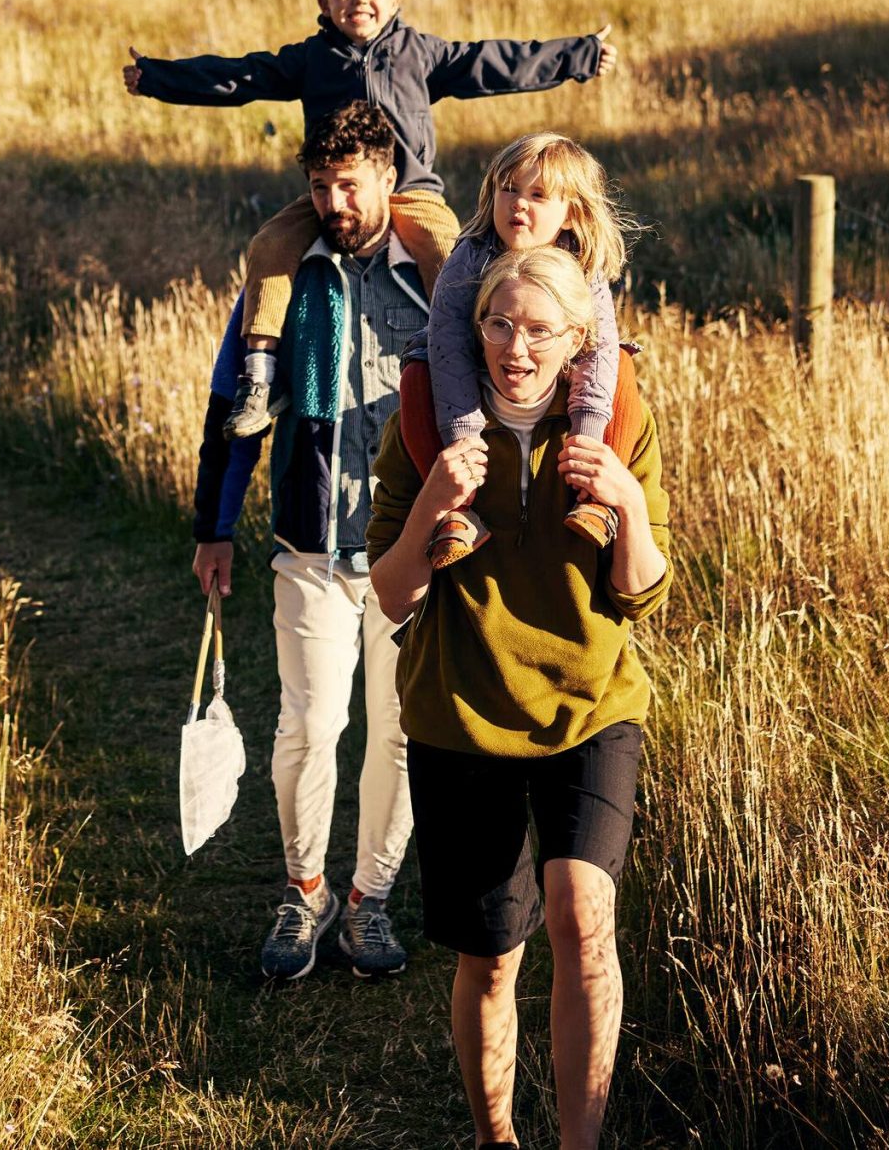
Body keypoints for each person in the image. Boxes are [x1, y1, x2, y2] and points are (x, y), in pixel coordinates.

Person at [369, 244, 673, 1150]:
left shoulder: (617, 421)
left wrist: (628, 504)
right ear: (477, 328)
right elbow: (390, 592)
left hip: (593, 703)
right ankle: (495, 1135)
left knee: (584, 913)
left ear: (579, 339)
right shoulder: (426, 428)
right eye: (499, 323)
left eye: (540, 328)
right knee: (491, 955)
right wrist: (430, 508)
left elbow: (644, 591)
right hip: (462, 712)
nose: (516, 345)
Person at [123, 0, 617, 440]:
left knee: (450, 249)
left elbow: (497, 62)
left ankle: (465, 362)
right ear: (323, 2)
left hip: (411, 192)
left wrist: (580, 55)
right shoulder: (311, 59)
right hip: (333, 195)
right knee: (269, 245)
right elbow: (239, 76)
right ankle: (260, 376)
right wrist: (157, 77)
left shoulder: (420, 53)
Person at [188, 102, 426, 982]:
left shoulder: (433, 281)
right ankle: (304, 890)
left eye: (348, 183)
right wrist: (215, 527)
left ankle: (371, 899)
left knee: (398, 732)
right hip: (311, 539)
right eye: (319, 185)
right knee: (312, 723)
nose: (333, 200)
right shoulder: (285, 278)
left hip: (412, 548)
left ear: (387, 181)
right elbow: (232, 410)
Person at [409, 132, 643, 567]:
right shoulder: (469, 257)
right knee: (416, 370)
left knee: (621, 364)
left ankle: (595, 497)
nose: (518, 203)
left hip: (556, 368)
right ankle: (455, 512)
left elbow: (598, 350)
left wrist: (585, 433)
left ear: (571, 214)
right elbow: (448, 347)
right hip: (476, 366)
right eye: (509, 189)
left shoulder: (582, 264)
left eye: (538, 195)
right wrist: (463, 437)